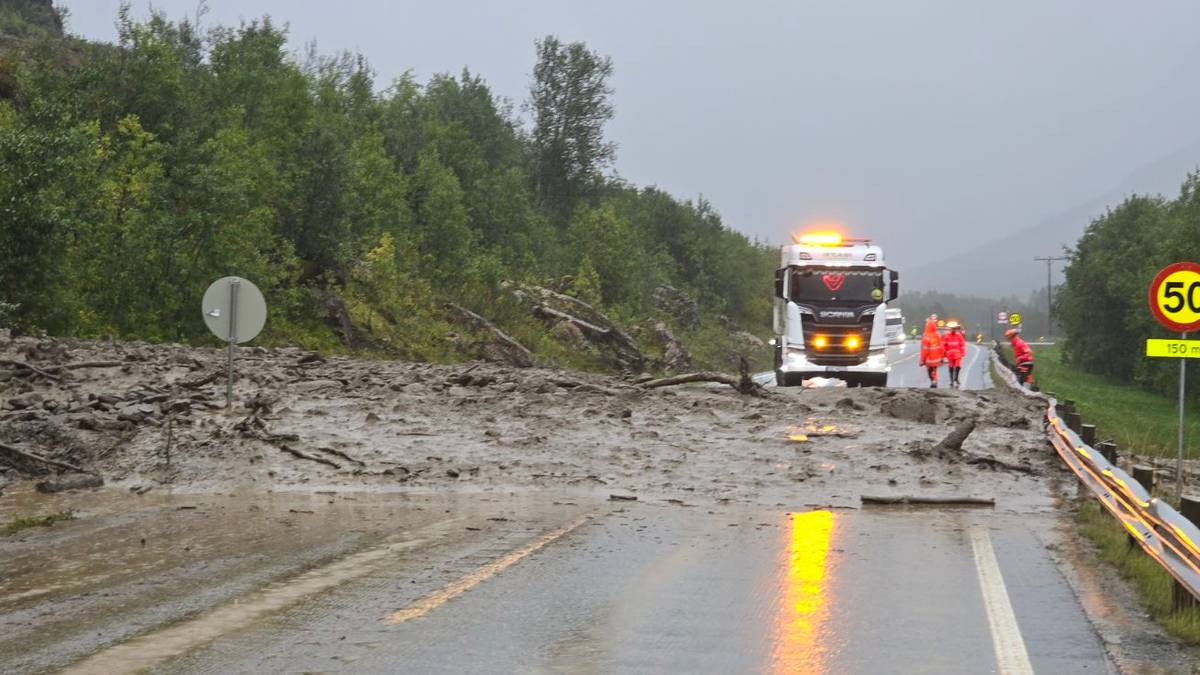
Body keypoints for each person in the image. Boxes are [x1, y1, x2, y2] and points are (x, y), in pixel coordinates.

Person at [919, 317, 944, 388]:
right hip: (937, 359)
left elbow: (924, 350)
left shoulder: (926, 337)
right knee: (934, 371)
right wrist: (942, 357)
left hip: (929, 359)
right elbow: (941, 348)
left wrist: (922, 360)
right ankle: (935, 382)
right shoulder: (938, 335)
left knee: (930, 371)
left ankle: (933, 381)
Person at [943, 321, 967, 389]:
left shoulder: (959, 336)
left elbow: (962, 344)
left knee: (957, 366)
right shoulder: (946, 336)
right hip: (950, 354)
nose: (953, 330)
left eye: (954, 328)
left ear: (956, 329)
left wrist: (963, 352)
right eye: (952, 328)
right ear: (950, 329)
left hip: (957, 354)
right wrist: (944, 352)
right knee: (950, 367)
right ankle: (951, 380)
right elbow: (944, 345)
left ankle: (956, 379)